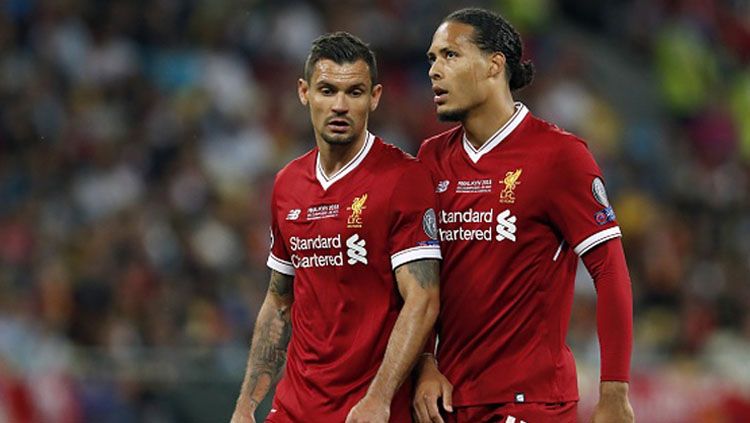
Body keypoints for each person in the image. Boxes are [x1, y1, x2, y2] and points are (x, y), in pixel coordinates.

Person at [412, 8, 635, 423]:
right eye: (431, 59)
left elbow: (610, 270)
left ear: (495, 64)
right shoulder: (431, 158)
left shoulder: (559, 156)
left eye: (450, 56)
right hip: (450, 402)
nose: (434, 71)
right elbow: (422, 279)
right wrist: (426, 361)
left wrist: (615, 390)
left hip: (530, 403)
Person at [230, 32, 442, 423]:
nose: (340, 105)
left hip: (364, 412)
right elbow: (279, 302)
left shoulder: (403, 178)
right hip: (293, 408)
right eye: (327, 90)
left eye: (355, 92)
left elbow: (423, 299)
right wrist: (246, 406)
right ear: (304, 92)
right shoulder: (287, 184)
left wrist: (379, 398)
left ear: (374, 97)